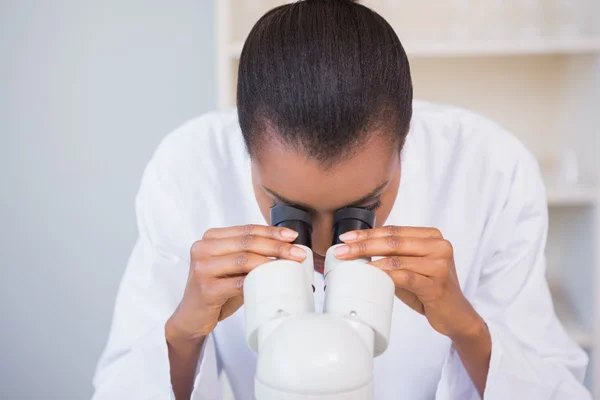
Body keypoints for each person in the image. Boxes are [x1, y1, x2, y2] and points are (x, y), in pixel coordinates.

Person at [92, 1, 591, 399]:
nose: (326, 249)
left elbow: (559, 391)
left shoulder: (490, 167)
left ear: (406, 144)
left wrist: (463, 324)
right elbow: (121, 389)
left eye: (363, 206)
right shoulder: (188, 167)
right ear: (243, 150)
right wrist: (184, 331)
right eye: (292, 211)